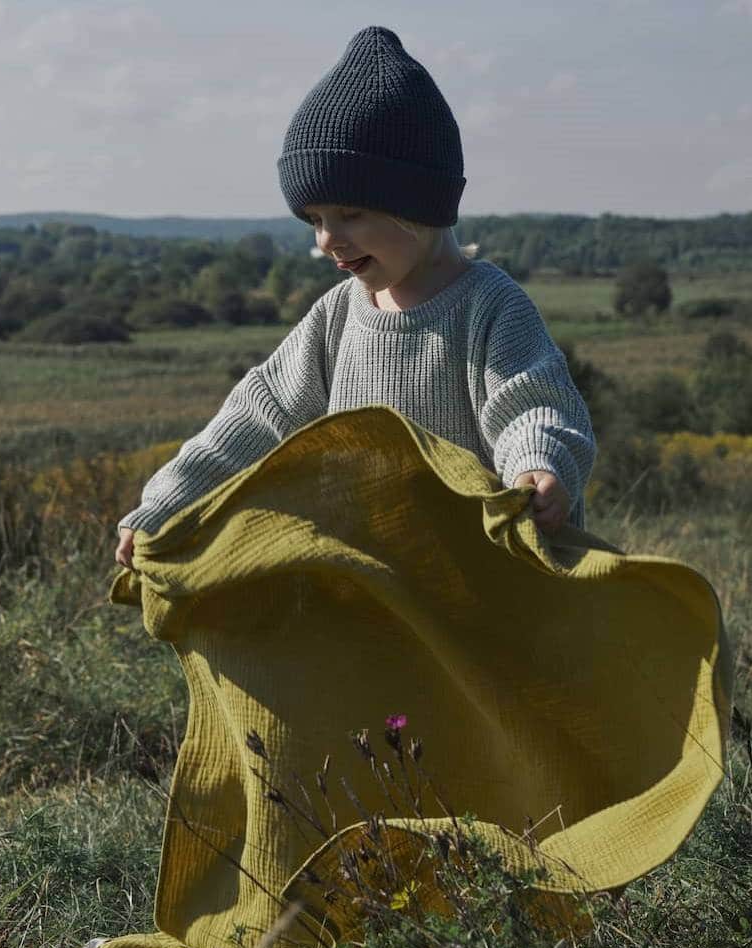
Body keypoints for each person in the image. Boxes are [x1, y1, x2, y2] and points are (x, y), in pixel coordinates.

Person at [115, 25, 595, 569]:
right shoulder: (337, 316)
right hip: (373, 582)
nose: (327, 239)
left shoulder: (488, 306)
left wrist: (537, 464)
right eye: (315, 219)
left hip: (483, 580)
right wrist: (166, 504)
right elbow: (256, 417)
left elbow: (531, 401)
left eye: (351, 214)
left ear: (417, 203)